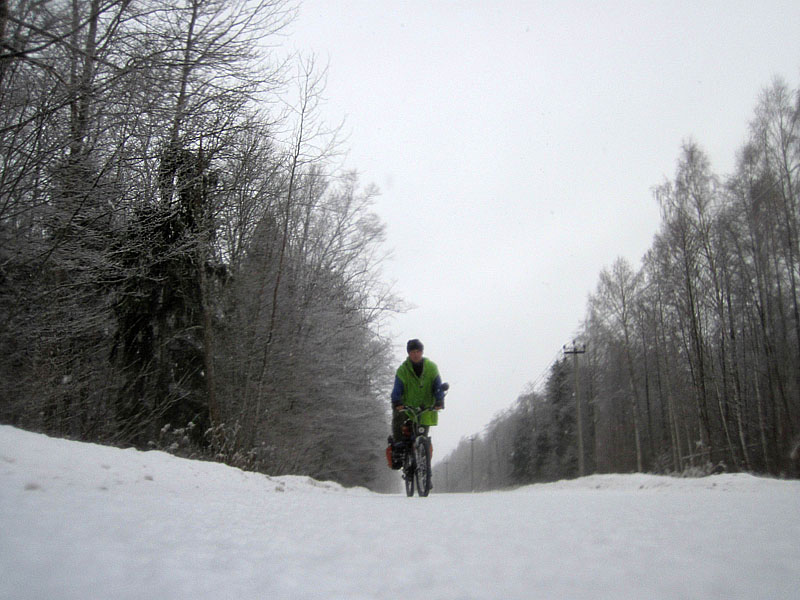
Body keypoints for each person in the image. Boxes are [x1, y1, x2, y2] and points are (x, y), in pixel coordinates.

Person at [385, 339, 445, 469]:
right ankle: (400, 449)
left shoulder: (431, 368)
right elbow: (397, 389)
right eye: (412, 352)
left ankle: (424, 470)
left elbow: (438, 386)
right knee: (399, 423)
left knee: (423, 437)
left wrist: (439, 400)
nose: (415, 354)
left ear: (422, 352)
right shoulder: (403, 370)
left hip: (425, 408)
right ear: (409, 353)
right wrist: (397, 402)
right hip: (407, 408)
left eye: (418, 351)